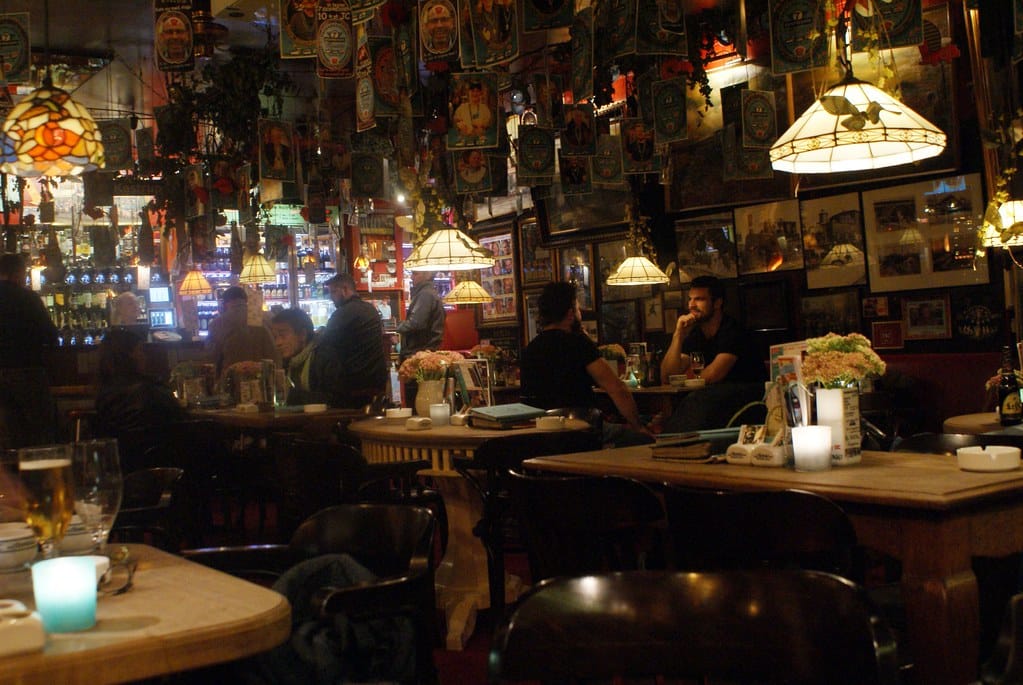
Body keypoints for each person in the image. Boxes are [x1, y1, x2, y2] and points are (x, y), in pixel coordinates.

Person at [520, 281, 653, 447]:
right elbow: (616, 388)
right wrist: (638, 426)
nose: (579, 314)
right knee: (645, 439)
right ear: (570, 314)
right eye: (577, 309)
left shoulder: (528, 350)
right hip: (583, 433)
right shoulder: (578, 343)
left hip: (543, 438)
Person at [659, 275, 767, 432]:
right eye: (690, 299)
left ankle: (673, 443)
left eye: (699, 299)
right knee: (687, 403)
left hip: (748, 399)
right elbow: (668, 375)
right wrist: (678, 335)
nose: (691, 305)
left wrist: (683, 383)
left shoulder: (733, 330)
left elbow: (713, 375)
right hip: (715, 398)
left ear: (717, 303)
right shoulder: (696, 333)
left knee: (695, 400)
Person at [0, 254, 58, 449]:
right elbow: (50, 336)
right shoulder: (29, 298)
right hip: (28, 372)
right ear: (18, 273)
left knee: (8, 432)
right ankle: (37, 475)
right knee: (38, 433)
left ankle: (12, 474)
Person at [93, 328, 186, 438]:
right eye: (140, 350)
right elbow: (179, 418)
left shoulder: (103, 395)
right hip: (164, 453)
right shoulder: (150, 391)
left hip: (121, 453)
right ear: (129, 356)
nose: (145, 356)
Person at [313, 273, 389, 409]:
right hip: (377, 381)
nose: (331, 297)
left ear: (345, 289)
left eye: (334, 292)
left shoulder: (343, 313)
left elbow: (324, 342)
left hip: (352, 384)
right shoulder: (370, 309)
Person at [207, 285, 280, 381]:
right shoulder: (268, 317)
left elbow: (213, 357)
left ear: (224, 303)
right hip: (266, 377)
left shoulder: (217, 323)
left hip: (233, 379)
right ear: (246, 300)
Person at [396, 271, 446, 409]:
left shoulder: (425, 294)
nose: (412, 277)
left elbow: (416, 323)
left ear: (427, 274)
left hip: (418, 357)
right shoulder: (428, 293)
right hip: (425, 354)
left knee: (418, 406)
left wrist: (398, 326)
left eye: (415, 274)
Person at [270, 308, 326, 406]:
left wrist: (292, 395)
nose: (277, 343)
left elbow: (334, 399)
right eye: (275, 337)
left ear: (302, 335)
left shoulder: (322, 357)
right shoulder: (290, 361)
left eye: (282, 336)